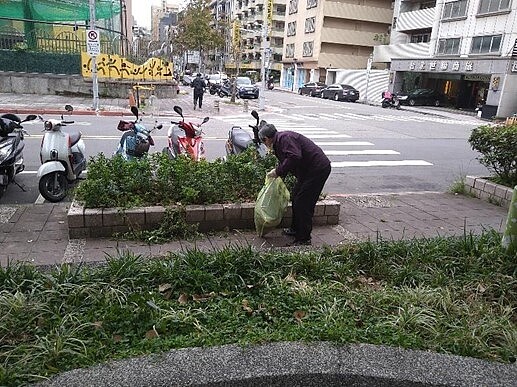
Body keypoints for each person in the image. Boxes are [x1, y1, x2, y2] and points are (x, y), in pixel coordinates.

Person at [258, 123, 331, 246]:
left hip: (317, 170)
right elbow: (289, 160)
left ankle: (304, 238)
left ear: (266, 138)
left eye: (263, 141)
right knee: (296, 197)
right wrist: (278, 175)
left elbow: (294, 157)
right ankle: (295, 229)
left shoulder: (284, 138)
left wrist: (278, 171)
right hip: (307, 171)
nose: (265, 144)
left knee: (304, 202)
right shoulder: (279, 141)